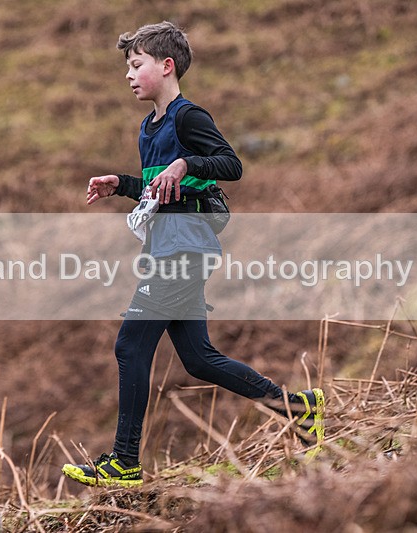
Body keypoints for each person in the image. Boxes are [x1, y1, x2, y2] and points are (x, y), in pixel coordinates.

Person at [61, 21, 324, 487]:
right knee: (199, 359)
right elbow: (165, 188)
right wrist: (121, 184)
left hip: (186, 249)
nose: (128, 74)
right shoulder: (149, 127)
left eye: (136, 64)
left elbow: (230, 165)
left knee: (130, 344)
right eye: (127, 66)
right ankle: (298, 407)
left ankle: (124, 462)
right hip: (169, 245)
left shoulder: (188, 117)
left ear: (166, 66)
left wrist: (188, 161)